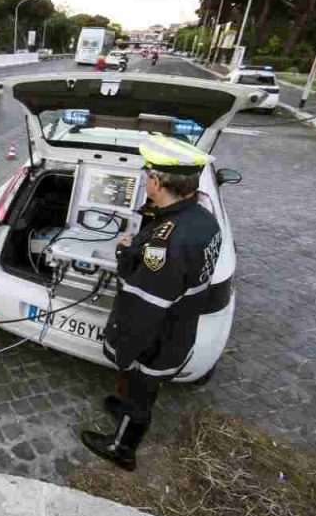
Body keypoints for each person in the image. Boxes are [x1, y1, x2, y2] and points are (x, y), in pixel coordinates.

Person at [81, 135, 222, 471]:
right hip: (178, 326)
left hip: (156, 338)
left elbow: (146, 304)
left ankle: (121, 449)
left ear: (158, 181)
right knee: (141, 388)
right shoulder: (203, 219)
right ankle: (125, 407)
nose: (146, 182)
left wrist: (125, 351)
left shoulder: (167, 241)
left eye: (148, 177)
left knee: (142, 389)